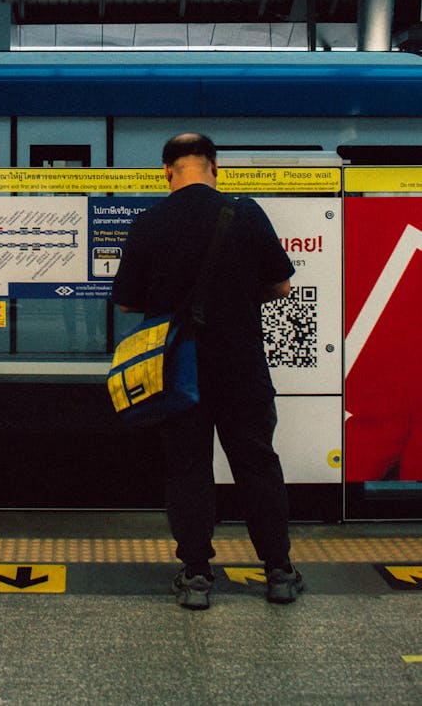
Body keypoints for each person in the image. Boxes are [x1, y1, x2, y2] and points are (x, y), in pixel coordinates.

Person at [111, 132, 302, 610]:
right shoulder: (246, 211)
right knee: (257, 464)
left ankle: (196, 576)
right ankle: (278, 572)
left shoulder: (149, 223)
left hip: (178, 371)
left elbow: (129, 300)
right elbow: (280, 286)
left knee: (188, 470)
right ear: (214, 167)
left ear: (166, 171)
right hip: (242, 366)